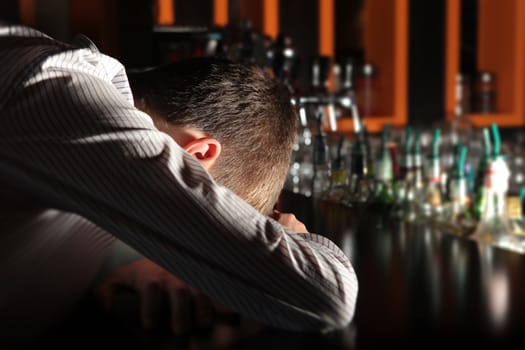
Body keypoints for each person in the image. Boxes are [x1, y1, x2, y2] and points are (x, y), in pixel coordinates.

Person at [0, 23, 358, 343]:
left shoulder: (67, 98)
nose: (204, 219)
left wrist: (161, 259)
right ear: (199, 154)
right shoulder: (68, 97)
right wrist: (287, 234)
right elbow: (327, 296)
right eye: (216, 206)